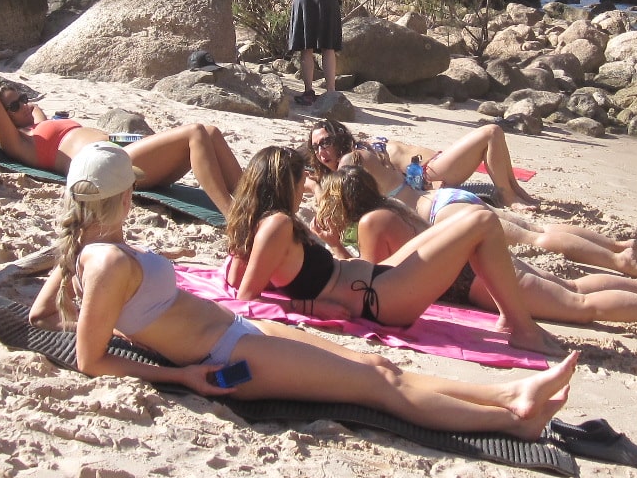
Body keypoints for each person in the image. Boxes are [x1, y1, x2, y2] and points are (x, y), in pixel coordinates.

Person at [29, 142, 578, 440]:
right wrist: (180, 374)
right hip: (228, 357)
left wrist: (83, 300)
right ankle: (512, 418)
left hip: (240, 335)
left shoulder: (87, 249)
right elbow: (90, 360)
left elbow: (41, 316)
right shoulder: (102, 260)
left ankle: (510, 396)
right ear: (125, 198)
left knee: (378, 369)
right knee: (376, 385)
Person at [224, 147, 565, 355]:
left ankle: (512, 319)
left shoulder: (267, 224)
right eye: (301, 184)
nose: (304, 191)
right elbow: (246, 298)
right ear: (284, 185)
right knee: (483, 225)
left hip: (372, 279)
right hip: (377, 298)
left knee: (478, 216)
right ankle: (522, 329)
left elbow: (239, 277)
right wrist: (309, 306)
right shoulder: (277, 225)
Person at [316, 167, 637, 344]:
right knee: (571, 285)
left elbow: (374, 280)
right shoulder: (389, 209)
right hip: (478, 264)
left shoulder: (371, 223)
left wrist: (335, 246)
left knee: (579, 304)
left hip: (474, 280)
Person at [306, 119, 637, 280]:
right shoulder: (372, 150)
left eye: (324, 143)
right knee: (537, 228)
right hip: (446, 199)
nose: (321, 151)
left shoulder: (352, 163)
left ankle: (619, 262)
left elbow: (336, 203)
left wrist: (315, 189)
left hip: (441, 214)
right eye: (315, 147)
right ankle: (617, 245)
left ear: (339, 138)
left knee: (536, 237)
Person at [0, 79, 245, 212]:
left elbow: (35, 109)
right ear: (1, 116)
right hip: (104, 165)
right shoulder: (18, 143)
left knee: (209, 132)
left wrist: (140, 140)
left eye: (23, 98)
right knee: (195, 132)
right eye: (13, 105)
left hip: (117, 148)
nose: (24, 105)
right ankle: (232, 216)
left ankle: (256, 201)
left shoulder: (36, 123)